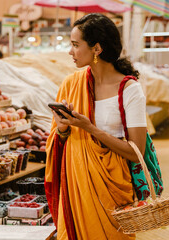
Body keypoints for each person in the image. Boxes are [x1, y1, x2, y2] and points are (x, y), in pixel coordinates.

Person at [45, 13, 147, 240]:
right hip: (76, 188)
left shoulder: (129, 90)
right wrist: (62, 129)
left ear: (97, 49)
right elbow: (56, 142)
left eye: (75, 45)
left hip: (113, 191)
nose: (70, 51)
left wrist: (90, 128)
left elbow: (137, 153)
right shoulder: (71, 84)